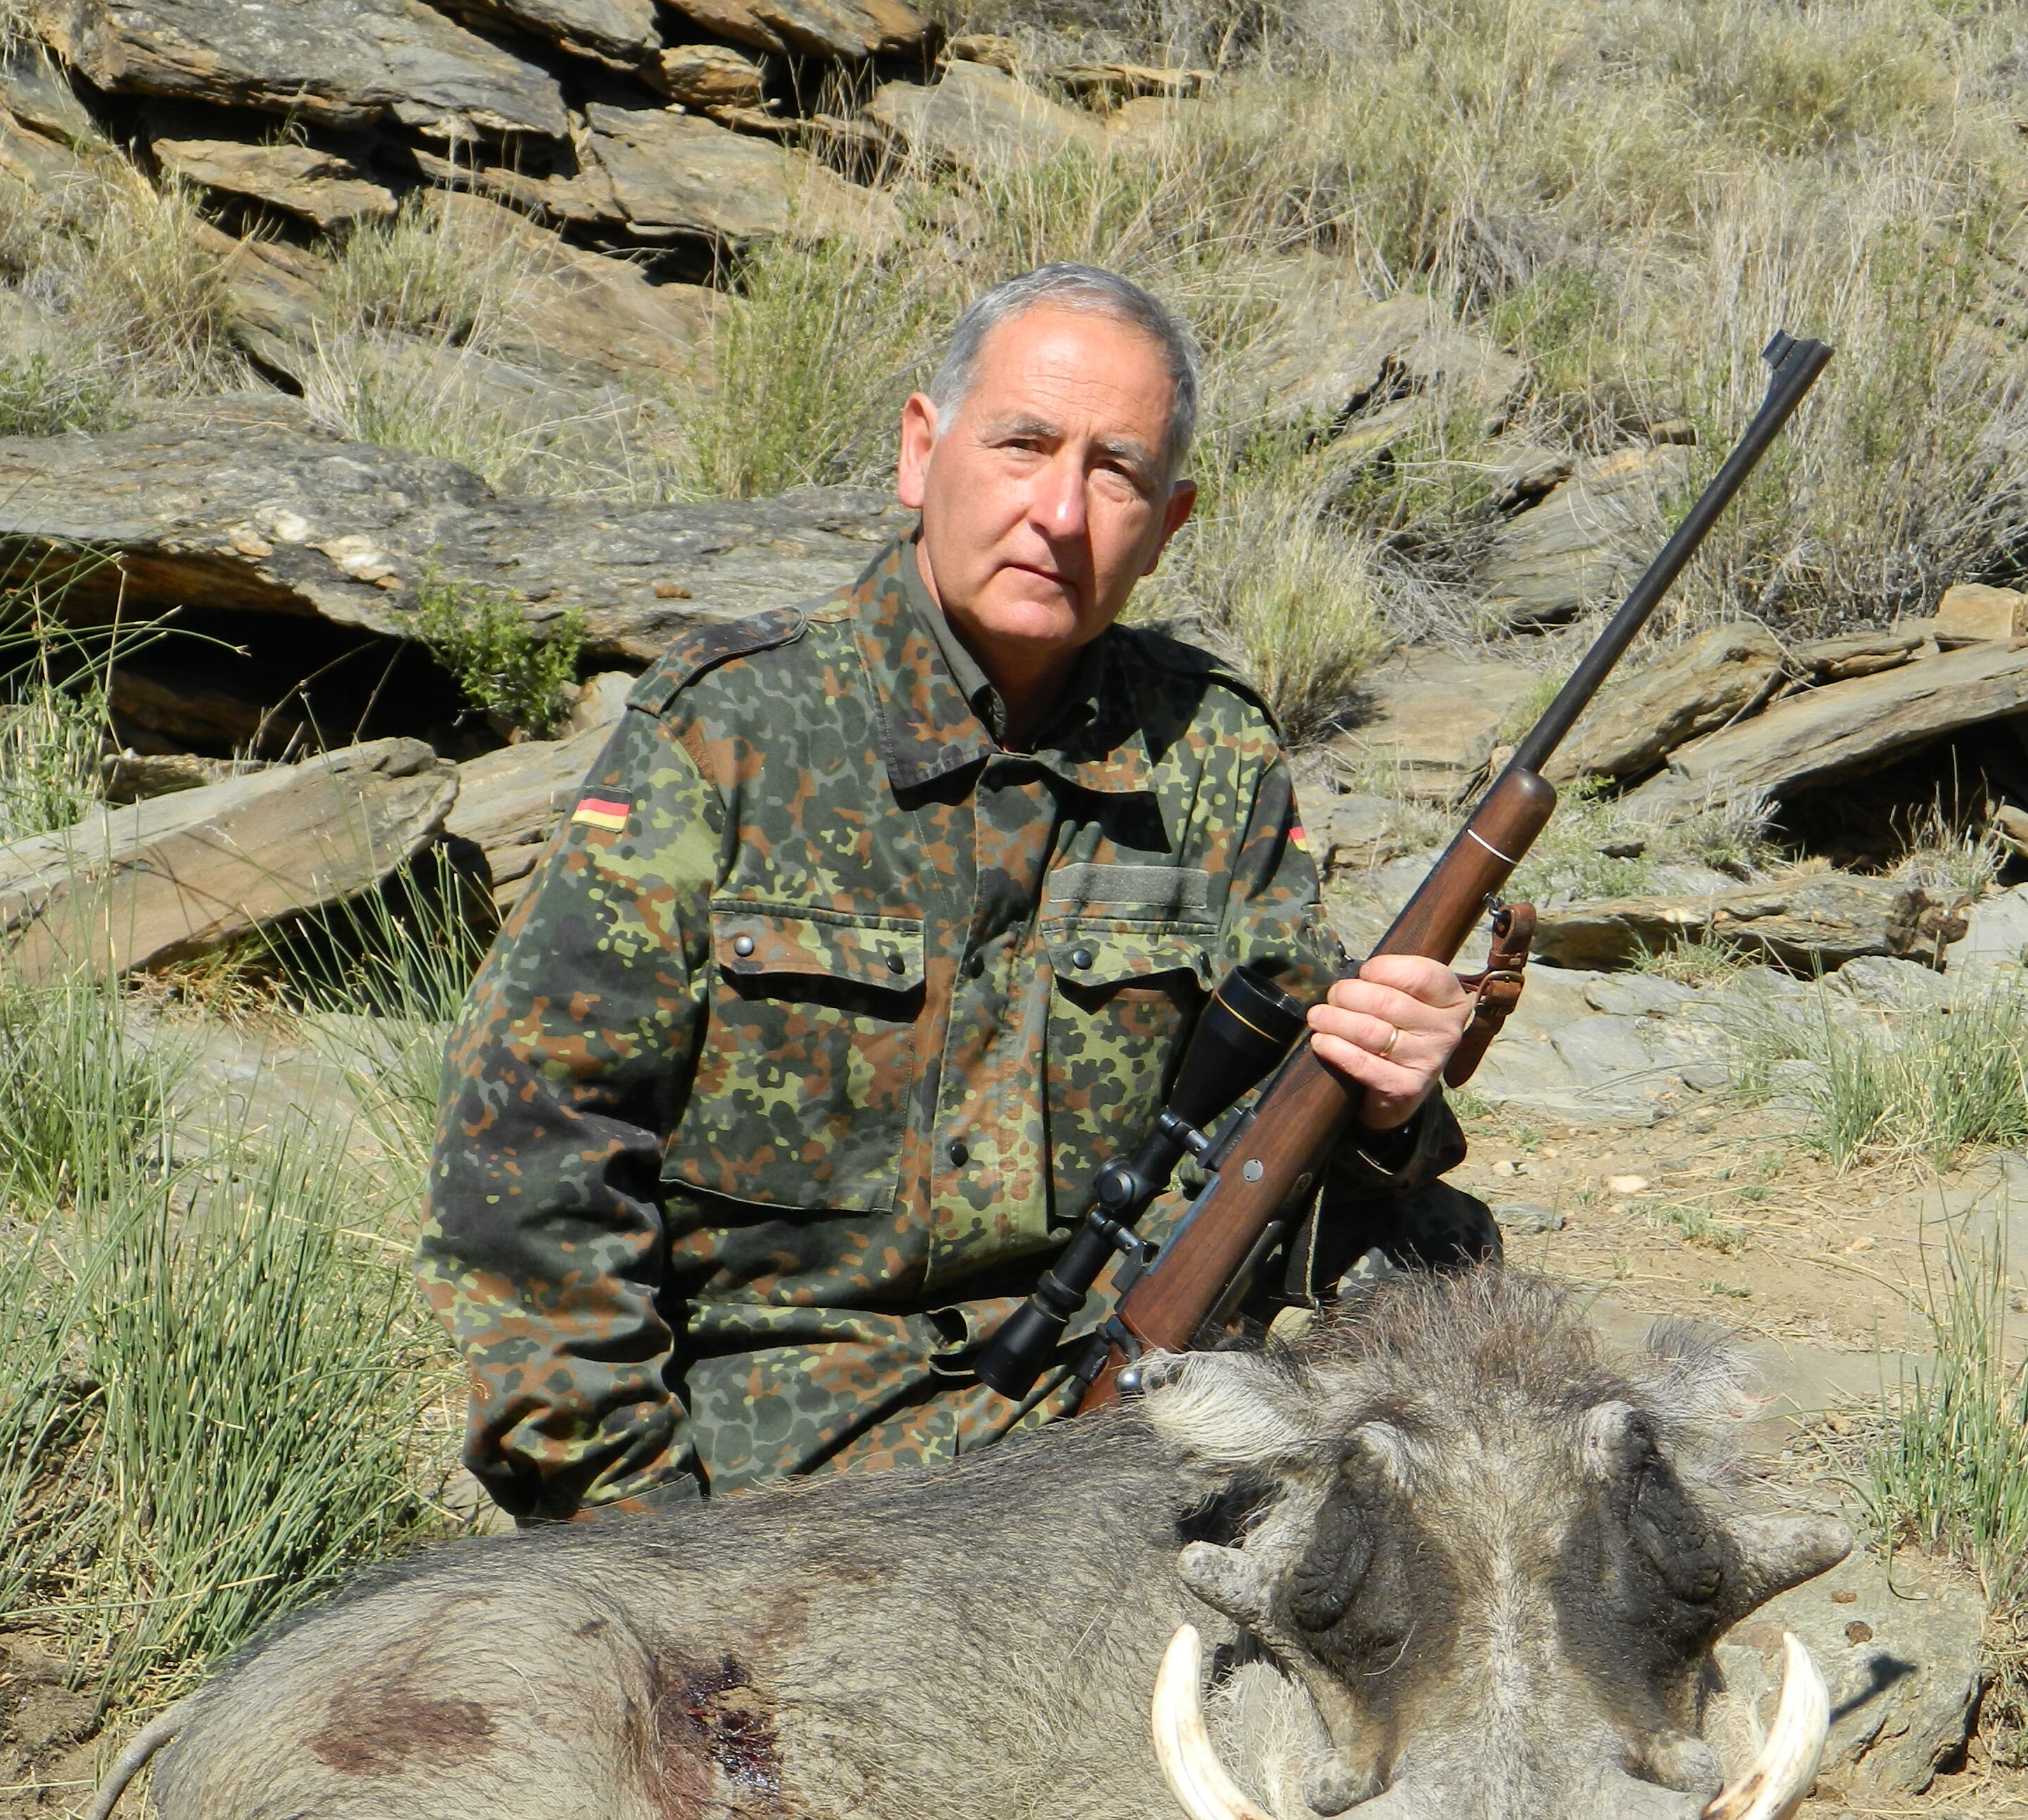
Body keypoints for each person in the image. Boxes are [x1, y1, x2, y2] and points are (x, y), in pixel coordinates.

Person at [422, 262, 1480, 1524]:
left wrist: (1384, 1107)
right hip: (775, 1485)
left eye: (1117, 473)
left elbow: (1280, 1165)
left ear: (1171, 521)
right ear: (922, 451)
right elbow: (531, 1160)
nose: (1061, 514)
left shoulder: (1214, 752)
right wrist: (640, 1541)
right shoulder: (732, 731)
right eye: (1024, 443)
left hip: (1126, 1442)